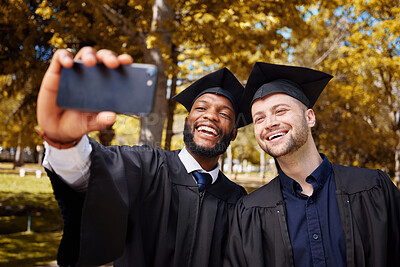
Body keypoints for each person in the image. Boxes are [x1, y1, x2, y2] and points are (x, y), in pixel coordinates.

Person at [37, 47, 248, 267]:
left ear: (233, 133)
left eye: (224, 114)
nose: (211, 115)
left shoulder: (237, 200)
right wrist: (63, 141)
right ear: (187, 122)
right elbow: (89, 171)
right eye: (201, 107)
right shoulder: (146, 166)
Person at [224, 62, 400, 267]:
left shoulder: (373, 188)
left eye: (280, 111)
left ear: (309, 117)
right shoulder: (249, 211)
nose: (269, 122)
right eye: (259, 118)